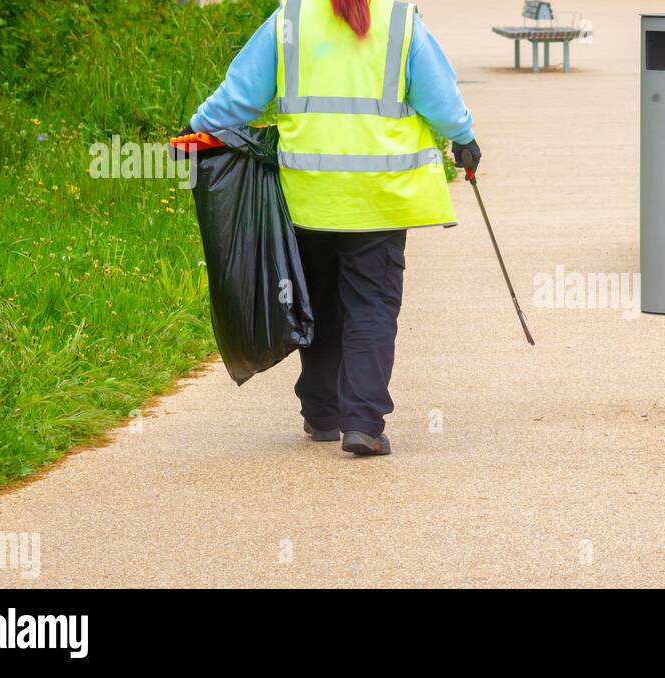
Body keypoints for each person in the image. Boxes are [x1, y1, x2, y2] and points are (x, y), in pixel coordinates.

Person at [184, 0, 480, 456]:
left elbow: (240, 93)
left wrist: (197, 128)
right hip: (380, 199)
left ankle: (321, 414)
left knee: (317, 301)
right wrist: (463, 137)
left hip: (309, 195)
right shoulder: (399, 20)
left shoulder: (290, 18)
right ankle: (362, 422)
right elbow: (439, 99)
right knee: (371, 306)